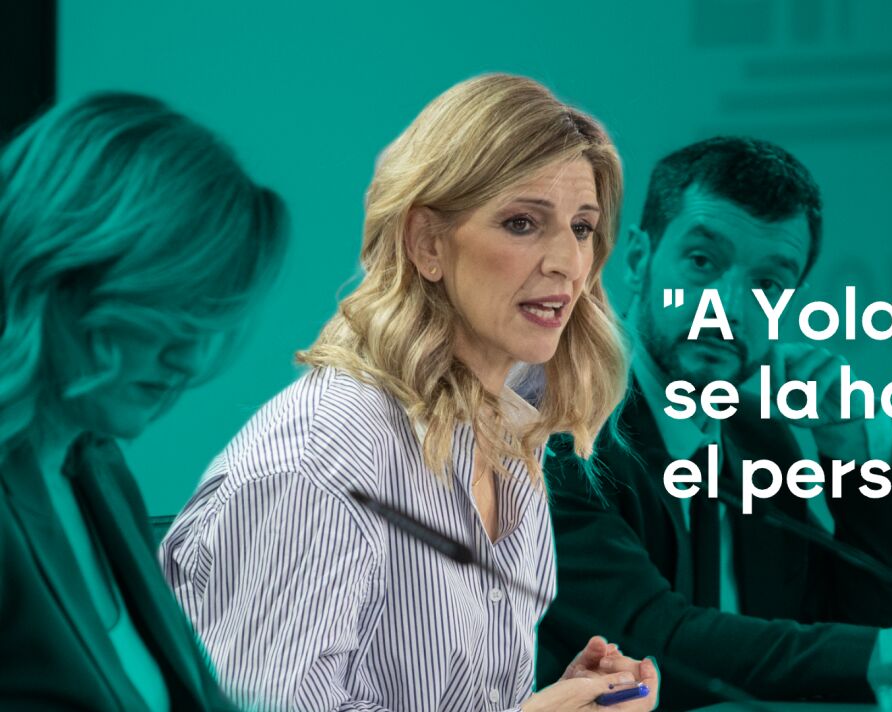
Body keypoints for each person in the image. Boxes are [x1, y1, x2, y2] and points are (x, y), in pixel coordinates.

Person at [158, 74, 659, 712]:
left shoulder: (509, 440)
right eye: (522, 222)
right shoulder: (323, 461)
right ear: (426, 243)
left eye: (582, 228)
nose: (567, 261)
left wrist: (570, 699)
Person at [538, 136, 892, 709]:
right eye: (702, 262)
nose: (729, 308)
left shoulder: (757, 439)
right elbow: (655, 645)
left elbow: (855, 640)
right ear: (636, 259)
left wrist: (857, 454)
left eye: (767, 285)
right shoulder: (561, 431)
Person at [0, 92, 288, 710]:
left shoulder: (94, 464)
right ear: (66, 274)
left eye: (206, 324)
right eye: (170, 313)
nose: (189, 360)